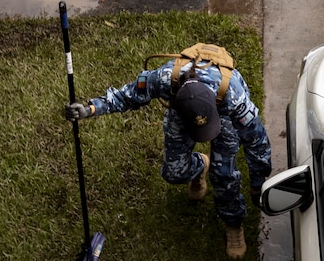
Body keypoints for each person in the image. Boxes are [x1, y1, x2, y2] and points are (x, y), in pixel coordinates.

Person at [64, 44, 272, 260]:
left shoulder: (233, 96)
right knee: (174, 172)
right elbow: (127, 96)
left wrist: (258, 183)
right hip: (181, 114)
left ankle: (233, 223)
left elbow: (257, 141)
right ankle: (201, 165)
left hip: (223, 114)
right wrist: (90, 108)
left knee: (224, 175)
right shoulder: (162, 78)